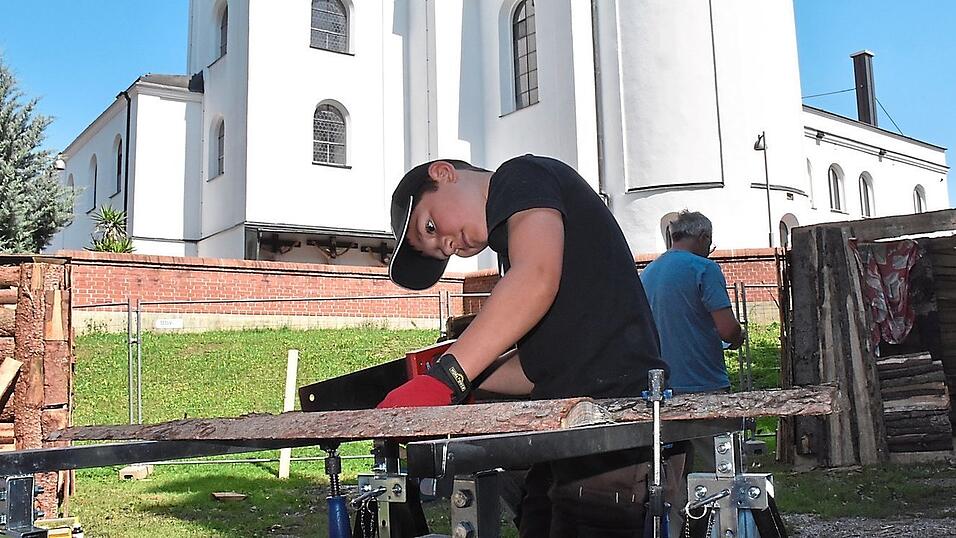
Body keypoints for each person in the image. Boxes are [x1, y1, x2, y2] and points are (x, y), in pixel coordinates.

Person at [378, 154, 675, 537]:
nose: (449, 244)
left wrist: (445, 379)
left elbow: (535, 278)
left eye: (431, 226)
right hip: (569, 428)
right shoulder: (520, 246)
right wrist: (463, 383)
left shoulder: (521, 176)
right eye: (441, 250)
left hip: (613, 424)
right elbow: (539, 368)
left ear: (443, 173)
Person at [639, 210, 744, 536]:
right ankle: (726, 530)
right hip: (703, 383)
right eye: (709, 242)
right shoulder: (704, 268)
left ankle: (678, 531)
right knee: (723, 473)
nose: (710, 248)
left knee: (673, 478)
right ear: (701, 238)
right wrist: (738, 336)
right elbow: (727, 329)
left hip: (661, 390)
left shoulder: (649, 273)